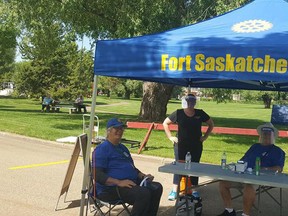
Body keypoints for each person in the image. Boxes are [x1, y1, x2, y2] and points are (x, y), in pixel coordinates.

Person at [92, 118, 163, 216]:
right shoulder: (102, 149)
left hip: (129, 183)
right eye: (116, 128)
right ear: (108, 131)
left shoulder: (122, 148)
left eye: (121, 129)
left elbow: (131, 168)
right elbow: (97, 174)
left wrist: (143, 176)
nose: (119, 131)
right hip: (110, 188)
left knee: (156, 187)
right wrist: (119, 182)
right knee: (143, 194)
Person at [217, 122, 285, 216]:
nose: (266, 136)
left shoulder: (278, 151)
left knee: (249, 188)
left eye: (269, 134)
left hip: (260, 178)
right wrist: (236, 166)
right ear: (261, 135)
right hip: (243, 174)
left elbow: (279, 169)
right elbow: (242, 160)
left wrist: (263, 169)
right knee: (223, 183)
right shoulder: (255, 147)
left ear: (273, 136)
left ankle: (246, 214)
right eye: (264, 133)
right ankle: (229, 211)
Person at [163, 93, 214, 201]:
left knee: (195, 166)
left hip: (196, 144)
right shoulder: (178, 113)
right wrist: (170, 137)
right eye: (189, 101)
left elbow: (211, 124)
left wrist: (205, 136)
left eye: (192, 101)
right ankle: (174, 190)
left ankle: (194, 190)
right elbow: (165, 123)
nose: (191, 103)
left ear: (195, 102)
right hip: (181, 145)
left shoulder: (200, 113)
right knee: (179, 165)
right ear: (185, 102)